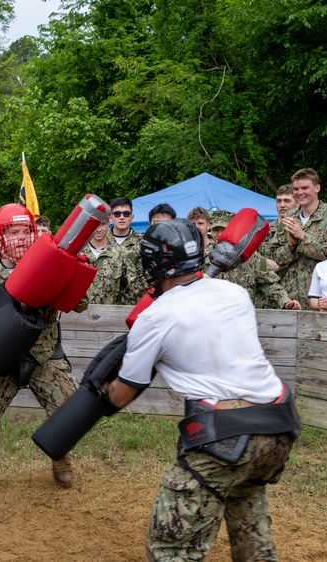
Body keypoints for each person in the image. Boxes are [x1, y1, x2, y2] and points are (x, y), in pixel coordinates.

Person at [106, 218, 298, 561]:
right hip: (278, 425)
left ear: (151, 263)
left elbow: (122, 395)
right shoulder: (234, 292)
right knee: (247, 512)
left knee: (171, 549)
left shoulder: (155, 318)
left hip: (224, 435)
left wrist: (100, 386)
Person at [0, 204, 85, 496]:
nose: (19, 238)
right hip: (3, 361)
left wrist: (70, 276)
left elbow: (80, 304)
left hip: (44, 355)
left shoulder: (50, 265)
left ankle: (61, 458)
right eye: (11, 232)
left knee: (68, 414)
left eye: (24, 231)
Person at [264, 168, 327, 308]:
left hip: (323, 297)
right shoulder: (289, 217)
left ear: (317, 188)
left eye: (305, 188)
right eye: (296, 189)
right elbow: (276, 257)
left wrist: (302, 236)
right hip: (291, 297)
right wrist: (292, 245)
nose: (300, 193)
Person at [207, 210, 300, 311]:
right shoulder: (202, 258)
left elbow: (270, 284)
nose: (220, 234)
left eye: (224, 229)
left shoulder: (251, 257)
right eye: (215, 230)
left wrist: (286, 302)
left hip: (242, 316)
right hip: (211, 316)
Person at [81, 216, 144, 305]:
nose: (99, 229)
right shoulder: (78, 253)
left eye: (102, 224)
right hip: (79, 314)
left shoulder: (122, 253)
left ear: (108, 224)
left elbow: (131, 290)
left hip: (110, 315)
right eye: (95, 225)